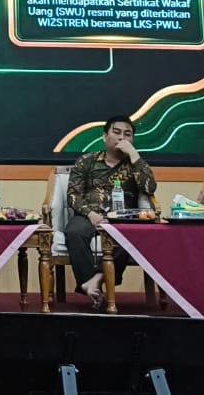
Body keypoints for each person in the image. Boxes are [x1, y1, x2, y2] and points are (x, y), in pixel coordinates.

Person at [63, 115, 157, 309]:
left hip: (123, 218)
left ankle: (96, 279)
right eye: (116, 132)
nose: (121, 137)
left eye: (127, 134)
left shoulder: (135, 164)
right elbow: (73, 195)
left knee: (131, 236)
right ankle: (88, 282)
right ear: (105, 136)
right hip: (89, 216)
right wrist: (90, 214)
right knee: (74, 231)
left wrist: (134, 155)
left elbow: (149, 188)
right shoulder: (87, 161)